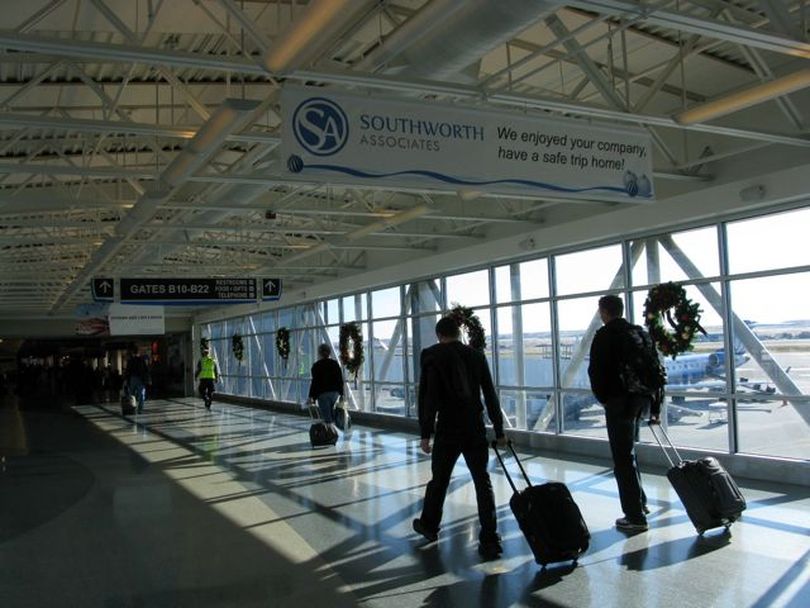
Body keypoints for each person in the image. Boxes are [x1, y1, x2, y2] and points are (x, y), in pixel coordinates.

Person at [413, 317, 508, 560]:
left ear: (439, 335)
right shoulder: (476, 356)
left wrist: (425, 432)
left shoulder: (432, 355)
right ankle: (490, 539)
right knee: (482, 481)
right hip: (474, 427)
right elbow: (489, 393)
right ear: (459, 333)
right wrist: (499, 430)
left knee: (440, 479)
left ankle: (430, 526)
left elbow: (428, 395)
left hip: (447, 428)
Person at [588, 295, 660, 533]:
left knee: (622, 457)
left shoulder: (605, 336)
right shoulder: (638, 333)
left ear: (604, 312)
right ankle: (640, 502)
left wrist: (605, 398)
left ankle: (635, 516)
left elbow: (596, 371)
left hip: (618, 401)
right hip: (640, 399)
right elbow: (655, 368)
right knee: (629, 451)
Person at [307, 343, 344, 431]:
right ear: (329, 352)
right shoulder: (334, 364)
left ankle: (330, 435)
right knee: (334, 414)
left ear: (319, 353)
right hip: (334, 393)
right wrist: (342, 394)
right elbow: (339, 380)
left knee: (327, 417)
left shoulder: (316, 366)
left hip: (322, 394)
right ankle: (333, 433)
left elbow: (315, 382)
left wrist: (312, 397)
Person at [124, 346, 151, 414]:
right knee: (141, 395)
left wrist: (127, 380)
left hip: (133, 379)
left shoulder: (130, 361)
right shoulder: (142, 360)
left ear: (133, 353)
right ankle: (140, 409)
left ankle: (132, 408)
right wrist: (147, 379)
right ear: (138, 352)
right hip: (141, 379)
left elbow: (127, 371)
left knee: (132, 394)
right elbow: (146, 370)